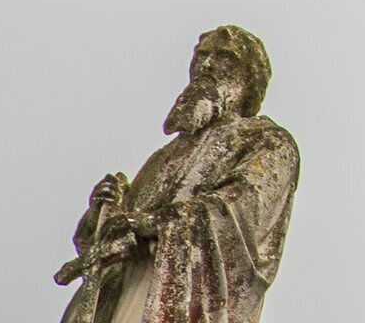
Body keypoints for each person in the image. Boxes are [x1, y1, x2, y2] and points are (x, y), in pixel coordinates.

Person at [57, 26, 300, 323]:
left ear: (249, 79)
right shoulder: (161, 158)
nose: (206, 65)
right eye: (201, 56)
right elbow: (105, 245)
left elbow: (241, 212)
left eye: (223, 57)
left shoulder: (264, 141)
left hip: (173, 288)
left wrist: (156, 222)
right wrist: (103, 216)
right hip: (121, 294)